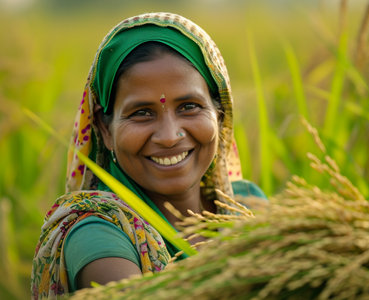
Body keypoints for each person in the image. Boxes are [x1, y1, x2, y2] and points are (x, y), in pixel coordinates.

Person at [31, 12, 266, 299]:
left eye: (189, 107)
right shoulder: (96, 232)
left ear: (219, 113)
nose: (169, 136)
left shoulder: (248, 206)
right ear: (104, 129)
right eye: (141, 113)